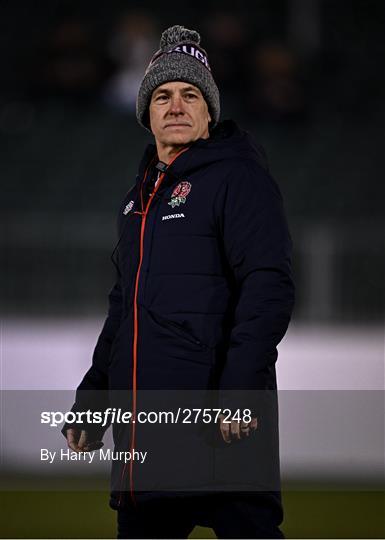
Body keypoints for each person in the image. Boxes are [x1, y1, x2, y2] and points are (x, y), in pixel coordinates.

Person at [63, 24, 295, 539]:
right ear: (146, 113)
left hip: (220, 424)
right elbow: (124, 310)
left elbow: (268, 288)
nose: (176, 105)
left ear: (209, 112)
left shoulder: (239, 177)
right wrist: (92, 404)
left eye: (191, 95)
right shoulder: (138, 200)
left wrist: (240, 394)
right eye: (163, 95)